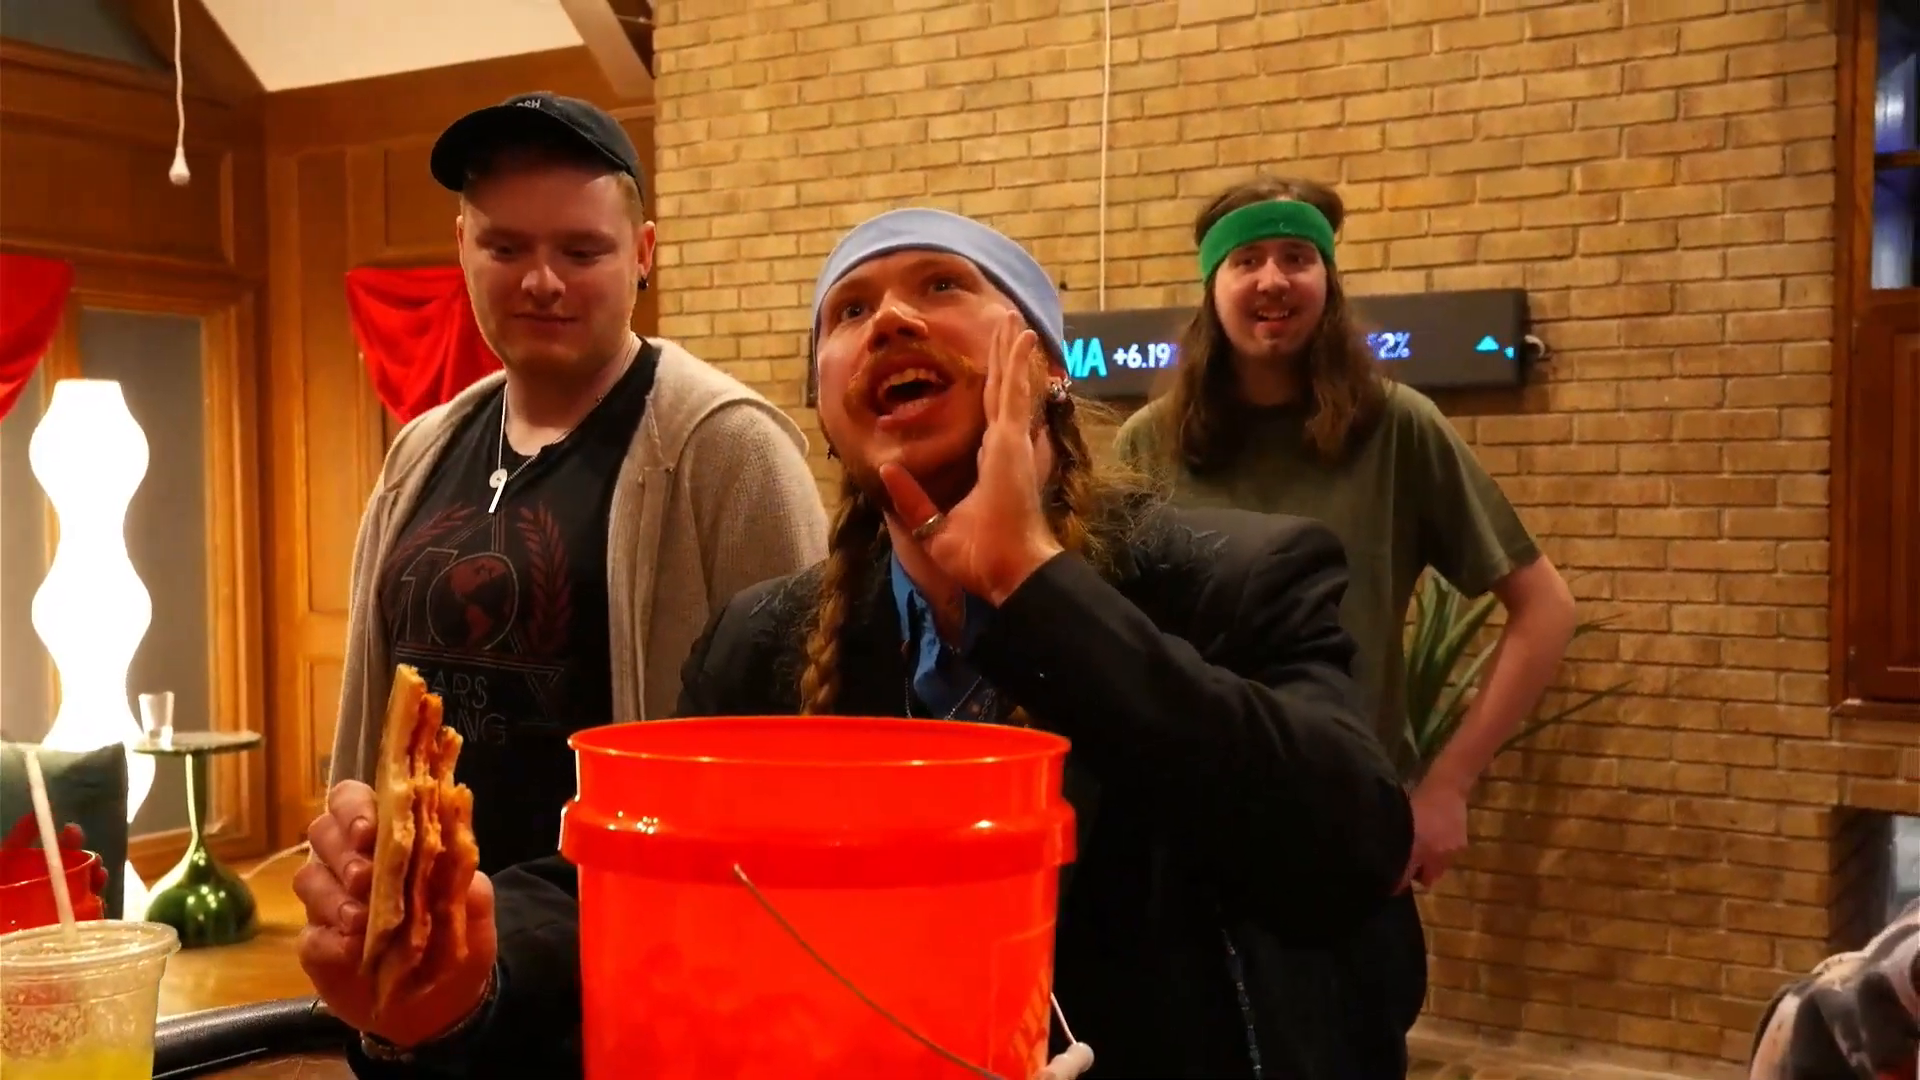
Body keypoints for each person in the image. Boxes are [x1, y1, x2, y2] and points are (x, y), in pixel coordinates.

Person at [297, 209, 1421, 1078]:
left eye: (944, 287)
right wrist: (461, 970)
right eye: (848, 311)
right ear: (828, 410)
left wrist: (1033, 588)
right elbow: (632, 886)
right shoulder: (763, 644)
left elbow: (1353, 845)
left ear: (1047, 367)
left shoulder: (1236, 579)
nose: (889, 322)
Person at [326, 92, 828, 877]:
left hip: (625, 931)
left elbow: (805, 751)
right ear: (461, 246)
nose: (542, 282)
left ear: (643, 253)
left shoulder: (731, 453)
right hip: (424, 932)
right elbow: (366, 723)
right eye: (506, 248)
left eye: (582, 252)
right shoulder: (420, 451)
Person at [1114, 176, 1577, 888]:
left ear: (1327, 281)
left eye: (1297, 257)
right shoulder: (1150, 440)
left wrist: (1448, 785)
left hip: (1348, 820)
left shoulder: (1398, 426)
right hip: (1184, 826)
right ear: (1213, 287)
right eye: (1247, 260)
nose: (1273, 279)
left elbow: (1545, 609)